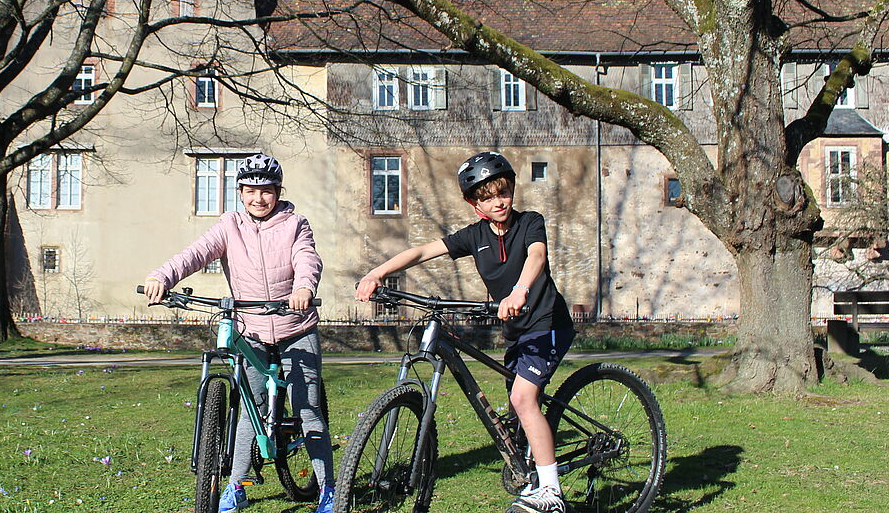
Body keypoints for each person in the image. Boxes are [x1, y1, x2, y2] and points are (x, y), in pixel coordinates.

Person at [354, 151, 575, 513]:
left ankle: (551, 493)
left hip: (547, 323)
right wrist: (377, 272)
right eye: (486, 197)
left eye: (502, 192)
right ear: (474, 204)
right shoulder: (475, 236)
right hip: (516, 329)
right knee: (521, 406)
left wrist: (520, 289)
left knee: (522, 399)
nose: (498, 202)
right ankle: (531, 470)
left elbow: (536, 256)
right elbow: (424, 250)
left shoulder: (530, 222)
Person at [142, 154, 335, 513]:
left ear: (277, 192)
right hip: (253, 331)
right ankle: (237, 485)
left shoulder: (295, 224)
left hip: (295, 327)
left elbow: (307, 259)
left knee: (308, 411)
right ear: (240, 192)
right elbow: (196, 253)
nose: (258, 198)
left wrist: (304, 288)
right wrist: (161, 277)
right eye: (250, 191)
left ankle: (328, 491)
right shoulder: (229, 225)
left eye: (265, 191)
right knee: (250, 409)